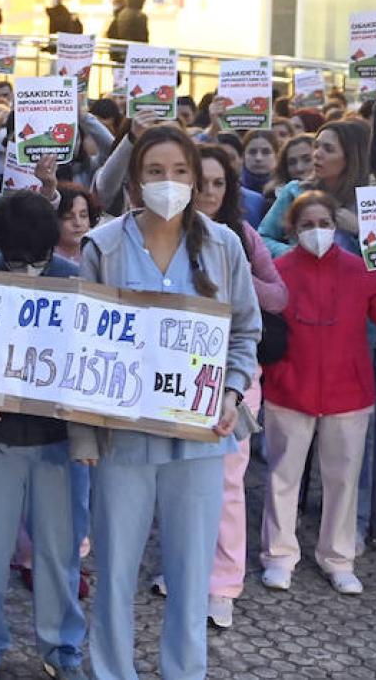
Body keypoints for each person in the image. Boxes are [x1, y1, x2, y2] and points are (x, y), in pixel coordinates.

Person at [71, 126, 261, 680]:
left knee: (190, 570)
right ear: (134, 181)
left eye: (181, 172)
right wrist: (84, 438)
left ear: (198, 180)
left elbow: (245, 332)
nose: (169, 183)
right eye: (155, 172)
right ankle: (111, 671)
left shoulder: (224, 246)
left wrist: (230, 390)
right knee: (114, 570)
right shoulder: (102, 247)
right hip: (122, 442)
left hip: (199, 441)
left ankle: (184, 670)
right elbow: (83, 345)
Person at [260, 191, 376, 598]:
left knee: (344, 480)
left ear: (336, 227)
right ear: (291, 229)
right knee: (283, 477)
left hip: (348, 393)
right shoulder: (279, 270)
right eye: (306, 225)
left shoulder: (359, 270)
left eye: (324, 224)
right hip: (290, 388)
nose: (316, 232)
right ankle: (279, 556)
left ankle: (338, 558)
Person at [0, 192, 87, 680]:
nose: (26, 269)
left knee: (59, 554)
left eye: (35, 261)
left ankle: (62, 647)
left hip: (58, 442)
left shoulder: (73, 282)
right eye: (17, 261)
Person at [189, 144, 286, 628]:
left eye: (218, 184)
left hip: (234, 377)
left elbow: (277, 296)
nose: (208, 192)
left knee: (227, 483)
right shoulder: (165, 233)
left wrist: (239, 273)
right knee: (181, 483)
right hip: (178, 377)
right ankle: (185, 571)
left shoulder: (244, 237)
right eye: (200, 182)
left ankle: (223, 582)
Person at [258, 121, 370, 257]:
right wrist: (293, 254)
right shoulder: (295, 192)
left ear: (351, 158)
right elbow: (262, 239)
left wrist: (361, 231)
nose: (316, 154)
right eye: (316, 146)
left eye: (328, 149)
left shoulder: (372, 203)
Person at [53, 182, 96, 266]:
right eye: (68, 217)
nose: (78, 223)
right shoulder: (43, 259)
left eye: (83, 216)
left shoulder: (98, 257)